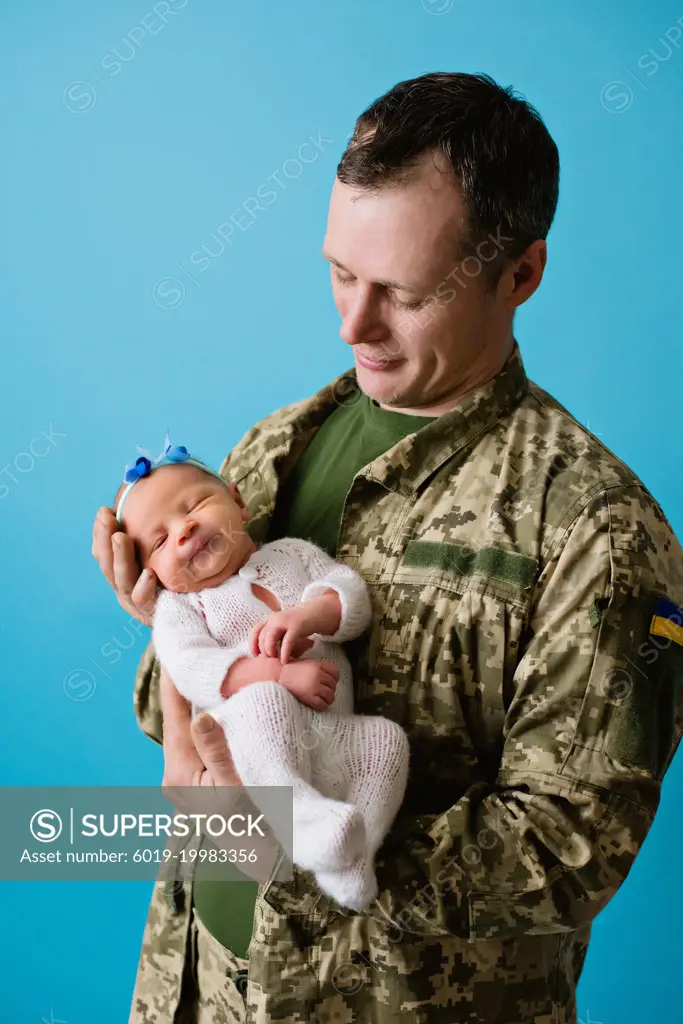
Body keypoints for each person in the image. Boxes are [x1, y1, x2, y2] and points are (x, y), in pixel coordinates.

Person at [92, 71, 683, 1023]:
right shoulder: (273, 445)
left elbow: (569, 844)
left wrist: (306, 842)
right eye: (339, 271)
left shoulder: (594, 529)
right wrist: (160, 623)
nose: (351, 325)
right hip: (193, 992)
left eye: (401, 292)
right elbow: (193, 719)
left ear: (519, 274)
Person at [112, 438, 410, 909]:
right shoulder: (181, 607)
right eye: (162, 540)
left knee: (385, 741)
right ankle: (300, 818)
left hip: (335, 734)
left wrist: (312, 614)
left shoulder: (292, 554)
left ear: (238, 501)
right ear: (153, 576)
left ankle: (350, 859)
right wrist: (278, 675)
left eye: (195, 505)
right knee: (262, 700)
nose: (184, 530)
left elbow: (349, 594)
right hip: (254, 747)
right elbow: (191, 667)